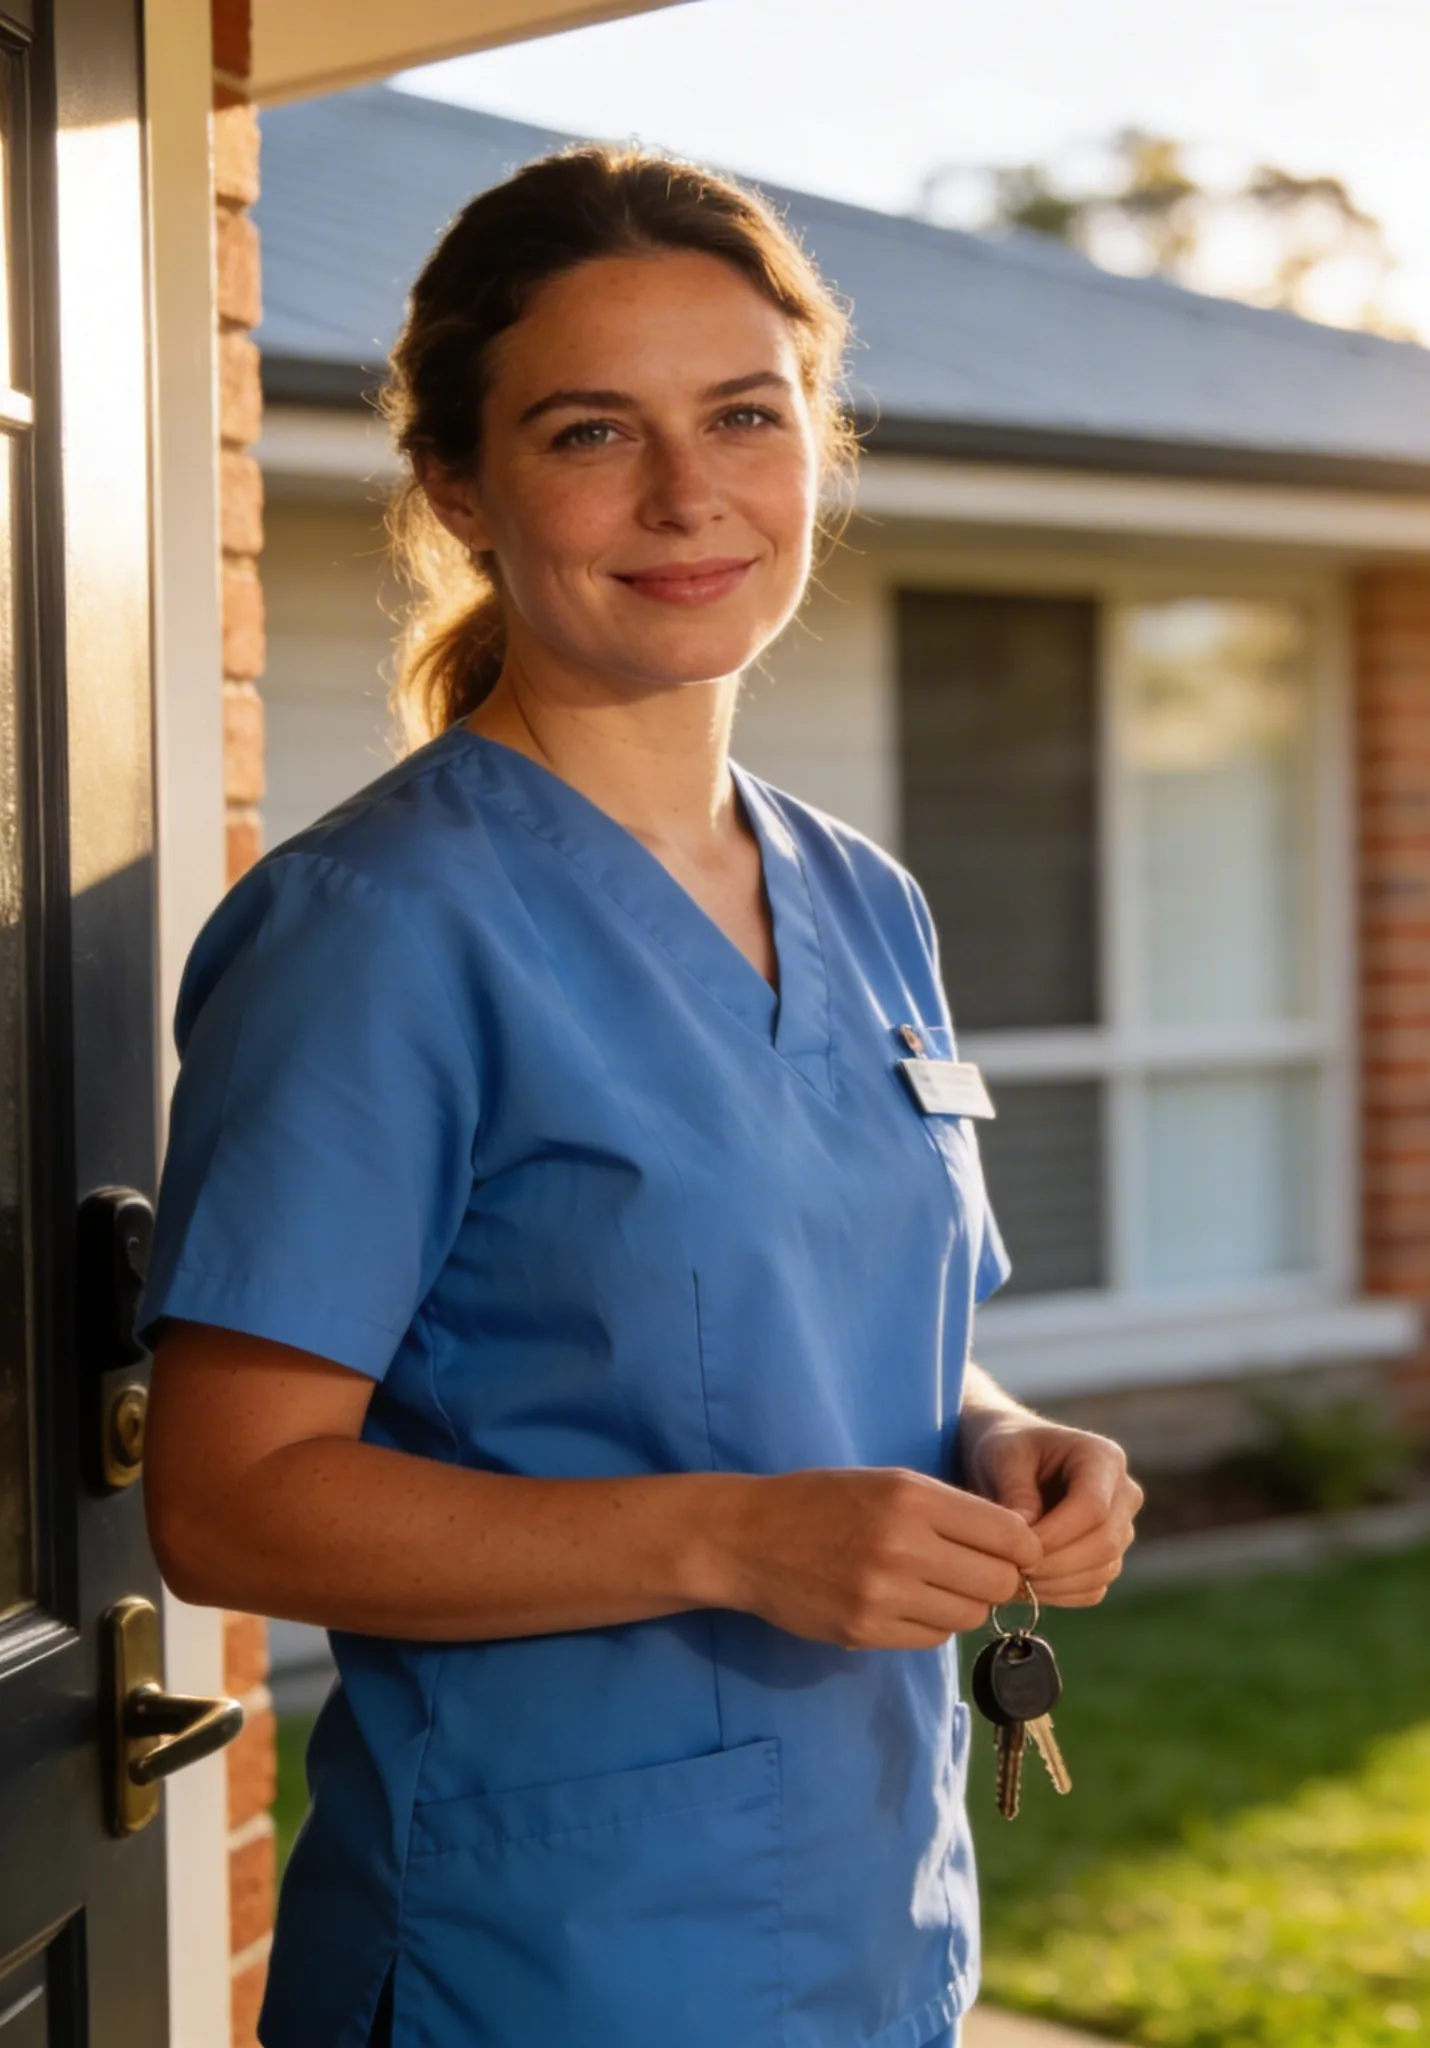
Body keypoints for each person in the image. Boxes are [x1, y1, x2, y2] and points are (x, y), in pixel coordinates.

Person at [140, 144, 1143, 2048]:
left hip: (871, 1922)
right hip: (538, 1963)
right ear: (458, 484)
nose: (690, 496)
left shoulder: (863, 897)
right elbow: (229, 1502)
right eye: (595, 429)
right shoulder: (377, 928)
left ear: (815, 451)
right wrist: (727, 1540)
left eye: (744, 417)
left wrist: (1008, 1444)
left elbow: (868, 1341)